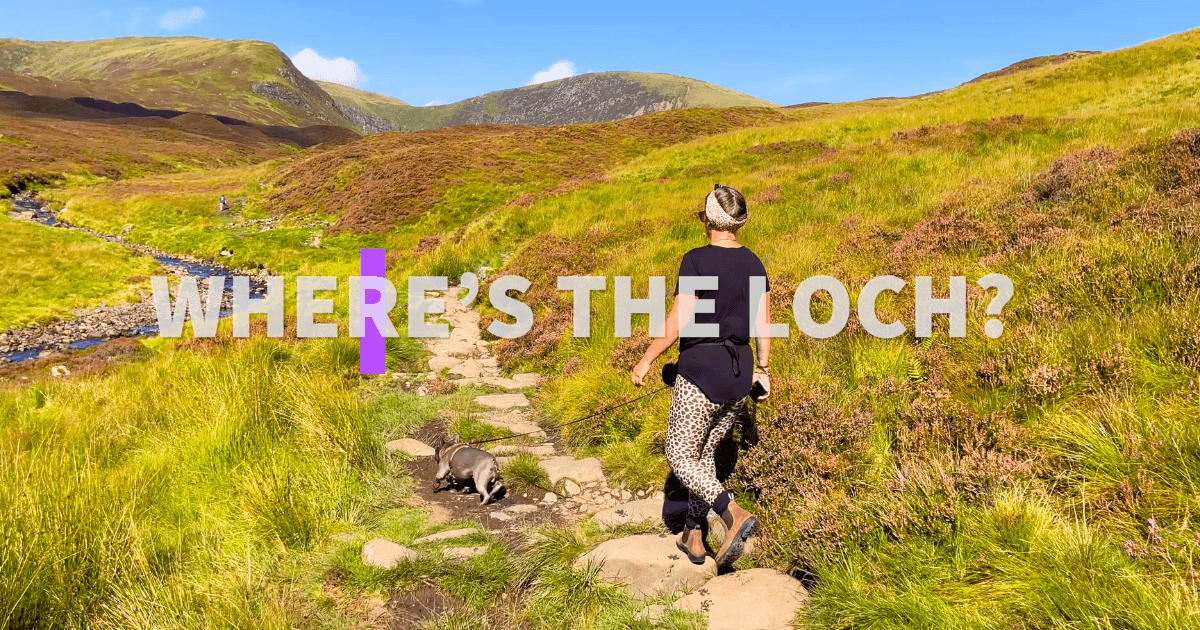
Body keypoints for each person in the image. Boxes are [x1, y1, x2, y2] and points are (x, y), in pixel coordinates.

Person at [632, 183, 772, 569]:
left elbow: (678, 320)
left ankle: (732, 513)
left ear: (709, 218)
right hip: (739, 374)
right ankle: (694, 534)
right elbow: (763, 324)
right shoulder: (755, 263)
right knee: (704, 455)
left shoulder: (696, 260)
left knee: (679, 455)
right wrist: (763, 369)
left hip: (701, 374)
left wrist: (646, 360)